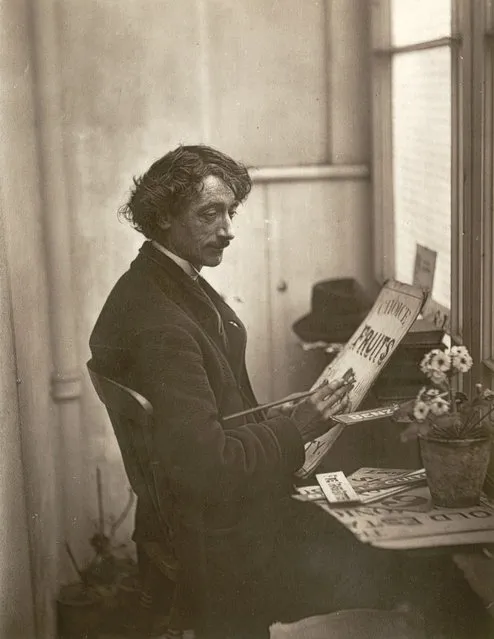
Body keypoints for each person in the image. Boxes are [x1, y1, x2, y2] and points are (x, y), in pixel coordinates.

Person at [89, 145, 486, 639]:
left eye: (231, 212)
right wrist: (295, 428)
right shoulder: (161, 324)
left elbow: (205, 429)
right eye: (210, 213)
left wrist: (288, 425)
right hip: (230, 551)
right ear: (164, 215)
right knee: (434, 570)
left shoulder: (156, 282)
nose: (229, 229)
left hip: (209, 528)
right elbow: (208, 468)